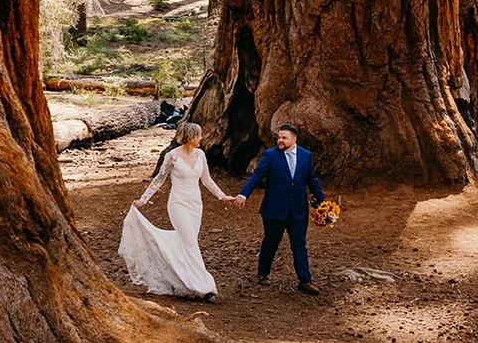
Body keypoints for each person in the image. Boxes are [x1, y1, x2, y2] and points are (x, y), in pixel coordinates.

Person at [119, 121, 232, 300]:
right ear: (190, 137)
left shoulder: (201, 155)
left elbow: (207, 180)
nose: (201, 138)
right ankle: (203, 285)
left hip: (195, 204)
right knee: (190, 243)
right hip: (178, 203)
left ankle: (179, 279)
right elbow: (159, 179)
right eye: (199, 135)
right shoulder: (172, 156)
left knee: (187, 242)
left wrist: (222, 196)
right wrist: (143, 199)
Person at [229, 123, 325, 294]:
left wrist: (323, 203)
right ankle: (263, 273)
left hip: (298, 210)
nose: (280, 140)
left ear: (294, 139)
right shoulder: (270, 155)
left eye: (284, 137)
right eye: (279, 137)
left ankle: (305, 281)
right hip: (274, 209)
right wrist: (243, 195)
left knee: (299, 245)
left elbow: (312, 180)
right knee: (271, 242)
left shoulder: (306, 155)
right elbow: (256, 177)